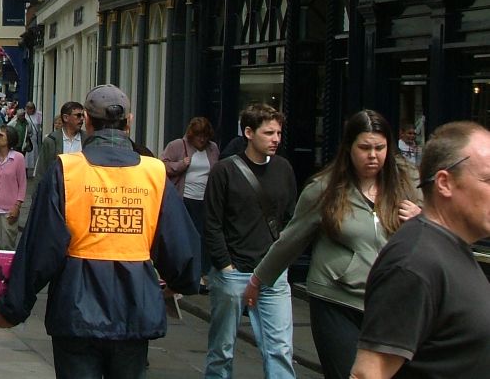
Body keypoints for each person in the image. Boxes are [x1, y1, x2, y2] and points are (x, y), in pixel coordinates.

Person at [0, 84, 200, 378]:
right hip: (133, 308)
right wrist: (181, 280)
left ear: (86, 119)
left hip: (76, 308)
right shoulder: (153, 173)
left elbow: (41, 246)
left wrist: (13, 307)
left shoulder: (66, 170)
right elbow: (179, 244)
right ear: (129, 121)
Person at [242, 110, 421, 379]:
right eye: (365, 148)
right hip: (337, 300)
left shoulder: (407, 184)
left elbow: (441, 226)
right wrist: (258, 280)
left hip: (391, 302)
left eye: (380, 148)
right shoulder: (325, 189)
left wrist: (421, 219)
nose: (373, 155)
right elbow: (291, 240)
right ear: (349, 147)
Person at [349, 122, 490, 379]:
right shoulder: (414, 262)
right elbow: (368, 373)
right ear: (445, 183)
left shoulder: (451, 249)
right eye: (488, 180)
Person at [203, 103, 298, 379]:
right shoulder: (224, 171)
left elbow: (291, 218)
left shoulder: (283, 168)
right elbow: (212, 222)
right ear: (248, 133)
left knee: (280, 349)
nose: (276, 139)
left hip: (272, 272)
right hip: (233, 272)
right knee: (222, 350)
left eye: (278, 133)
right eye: (268, 133)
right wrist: (225, 265)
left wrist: (282, 259)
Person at [162, 116, 220, 282]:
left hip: (205, 199)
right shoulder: (177, 145)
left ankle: (202, 273)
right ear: (191, 135)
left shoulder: (212, 148)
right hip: (184, 198)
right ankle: (185, 273)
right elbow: (162, 165)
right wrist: (181, 164)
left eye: (205, 136)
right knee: (186, 236)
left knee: (203, 236)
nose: (202, 140)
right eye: (198, 136)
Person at [34, 101, 86, 181]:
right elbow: (41, 171)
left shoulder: (88, 139)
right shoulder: (51, 141)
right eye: (78, 115)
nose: (82, 119)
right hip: (59, 186)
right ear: (66, 118)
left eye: (83, 115)